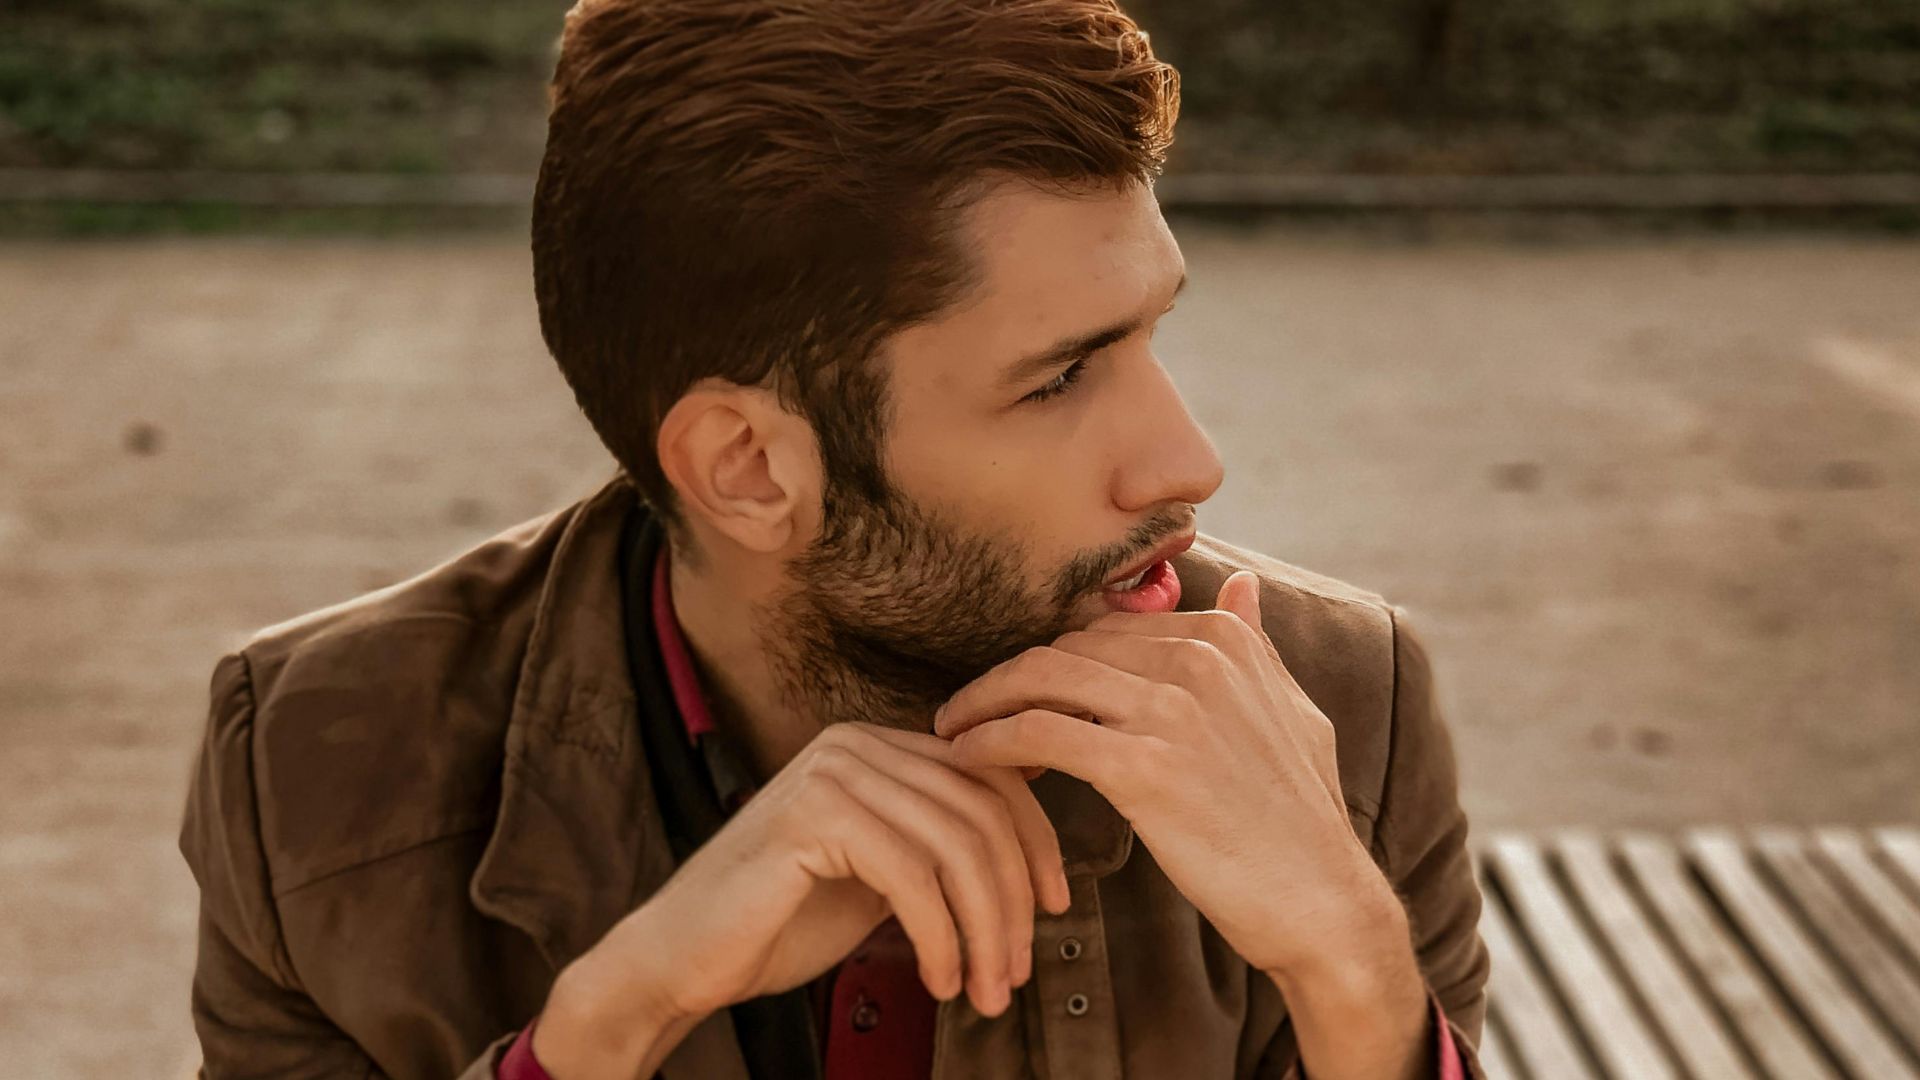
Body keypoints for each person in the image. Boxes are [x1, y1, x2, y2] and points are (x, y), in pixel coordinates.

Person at [179, 1, 1491, 1077]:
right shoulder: (312, 767)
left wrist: (1352, 973)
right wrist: (608, 1025)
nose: (1190, 463)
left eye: (1149, 334)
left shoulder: (1342, 706)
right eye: (1058, 379)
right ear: (749, 470)